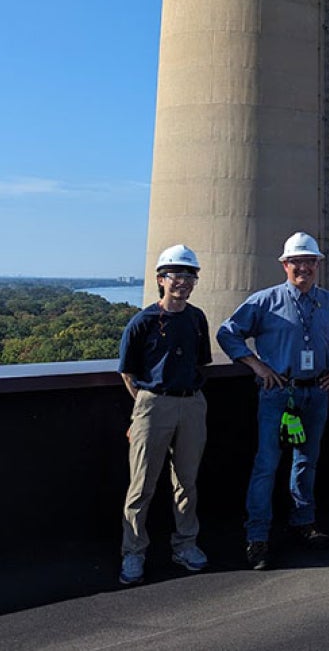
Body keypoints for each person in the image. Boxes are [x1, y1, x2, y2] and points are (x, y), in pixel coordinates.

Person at [217, 231, 329, 570]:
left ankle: (303, 523)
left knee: (307, 461)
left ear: (317, 265)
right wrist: (256, 364)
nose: (303, 267)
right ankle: (258, 537)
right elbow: (227, 332)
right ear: (285, 265)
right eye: (297, 261)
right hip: (278, 392)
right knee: (267, 464)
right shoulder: (264, 301)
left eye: (309, 261)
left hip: (317, 392)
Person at [116, 245, 211, 585]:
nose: (183, 282)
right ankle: (134, 552)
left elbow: (201, 361)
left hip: (191, 403)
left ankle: (185, 545)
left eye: (190, 276)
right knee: (142, 484)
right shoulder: (142, 322)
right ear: (161, 279)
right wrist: (146, 406)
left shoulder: (197, 317)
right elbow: (127, 373)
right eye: (176, 276)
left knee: (187, 482)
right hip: (153, 404)